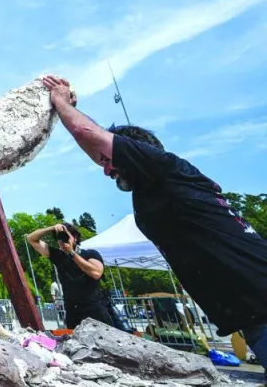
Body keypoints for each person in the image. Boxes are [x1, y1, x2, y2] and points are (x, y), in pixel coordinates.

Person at [41, 74, 267, 377]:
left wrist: (59, 102)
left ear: (136, 152)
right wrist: (68, 110)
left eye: (110, 161)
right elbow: (95, 144)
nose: (106, 170)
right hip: (254, 316)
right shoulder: (154, 188)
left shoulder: (164, 168)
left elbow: (88, 132)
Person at [27, 222, 113, 329]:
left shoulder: (90, 254)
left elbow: (96, 273)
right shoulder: (58, 256)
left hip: (95, 308)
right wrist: (52, 228)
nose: (62, 241)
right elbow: (31, 239)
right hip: (73, 310)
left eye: (66, 236)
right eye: (59, 238)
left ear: (75, 237)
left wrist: (71, 253)